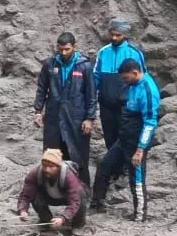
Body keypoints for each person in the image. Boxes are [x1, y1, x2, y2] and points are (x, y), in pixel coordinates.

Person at [91, 58, 161, 222]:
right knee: (105, 165)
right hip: (123, 138)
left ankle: (139, 215)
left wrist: (140, 149)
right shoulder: (133, 85)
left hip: (136, 142)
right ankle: (96, 203)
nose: (124, 82)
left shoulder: (148, 90)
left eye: (125, 78)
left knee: (136, 177)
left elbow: (150, 122)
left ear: (135, 73)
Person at [33, 31, 97, 179]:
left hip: (76, 118)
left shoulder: (84, 66)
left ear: (74, 46)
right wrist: (38, 111)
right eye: (60, 49)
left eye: (67, 49)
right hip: (54, 117)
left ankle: (82, 195)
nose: (63, 52)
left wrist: (90, 118)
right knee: (52, 156)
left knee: (78, 156)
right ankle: (52, 194)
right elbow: (42, 88)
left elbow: (91, 94)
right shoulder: (50, 64)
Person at [93, 17, 146, 152]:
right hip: (106, 104)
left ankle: (125, 168)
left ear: (125, 35)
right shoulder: (103, 52)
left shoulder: (134, 53)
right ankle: (113, 169)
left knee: (126, 137)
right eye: (112, 34)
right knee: (109, 137)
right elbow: (96, 77)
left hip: (126, 105)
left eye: (118, 35)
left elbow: (141, 79)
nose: (115, 38)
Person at [16, 148, 86, 230]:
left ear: (58, 167)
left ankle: (78, 225)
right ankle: (46, 221)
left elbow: (74, 201)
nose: (47, 169)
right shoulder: (35, 173)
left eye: (51, 166)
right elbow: (26, 194)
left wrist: (63, 218)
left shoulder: (69, 176)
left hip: (68, 197)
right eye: (44, 166)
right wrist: (23, 210)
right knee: (35, 195)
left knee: (80, 195)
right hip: (49, 196)